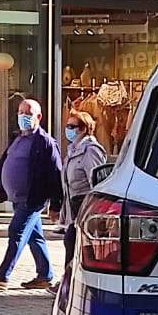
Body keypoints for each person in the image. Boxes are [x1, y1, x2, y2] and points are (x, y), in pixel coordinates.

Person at [0, 99, 63, 291]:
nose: (23, 116)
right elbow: (1, 167)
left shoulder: (46, 143)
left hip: (33, 199)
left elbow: (56, 175)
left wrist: (56, 205)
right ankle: (45, 275)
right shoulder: (17, 139)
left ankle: (2, 274)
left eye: (28, 113)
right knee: (35, 236)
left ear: (38, 117)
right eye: (20, 112)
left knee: (16, 232)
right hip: (18, 198)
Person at [57, 110, 106, 292]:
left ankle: (70, 284)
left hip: (85, 205)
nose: (68, 130)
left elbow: (97, 181)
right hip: (73, 205)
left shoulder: (90, 150)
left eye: (72, 127)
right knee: (72, 243)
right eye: (67, 126)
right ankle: (69, 283)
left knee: (74, 242)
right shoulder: (72, 150)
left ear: (84, 129)